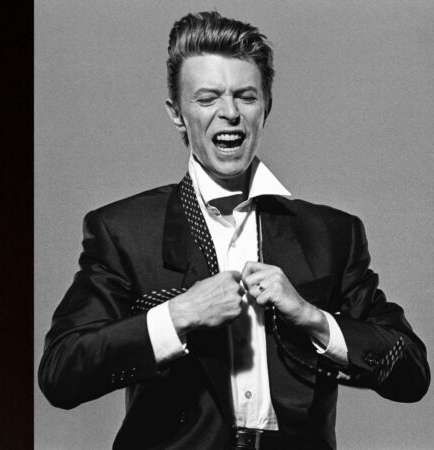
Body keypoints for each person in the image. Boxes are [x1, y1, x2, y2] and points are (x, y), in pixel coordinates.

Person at [38, 11, 429, 450]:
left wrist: (312, 318)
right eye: (207, 99)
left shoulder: (332, 235)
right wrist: (178, 316)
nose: (230, 113)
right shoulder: (124, 232)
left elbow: (411, 372)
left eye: (246, 97)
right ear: (177, 114)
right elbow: (61, 373)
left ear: (266, 107)